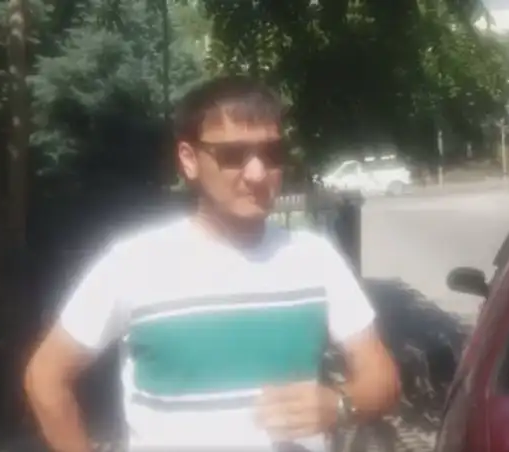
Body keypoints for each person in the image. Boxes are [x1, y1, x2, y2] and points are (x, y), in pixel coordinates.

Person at [23, 75, 401, 452]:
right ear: (189, 160)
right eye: (232, 156)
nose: (257, 173)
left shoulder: (314, 259)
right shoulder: (134, 264)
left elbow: (383, 378)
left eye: (272, 153)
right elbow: (46, 377)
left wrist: (340, 404)